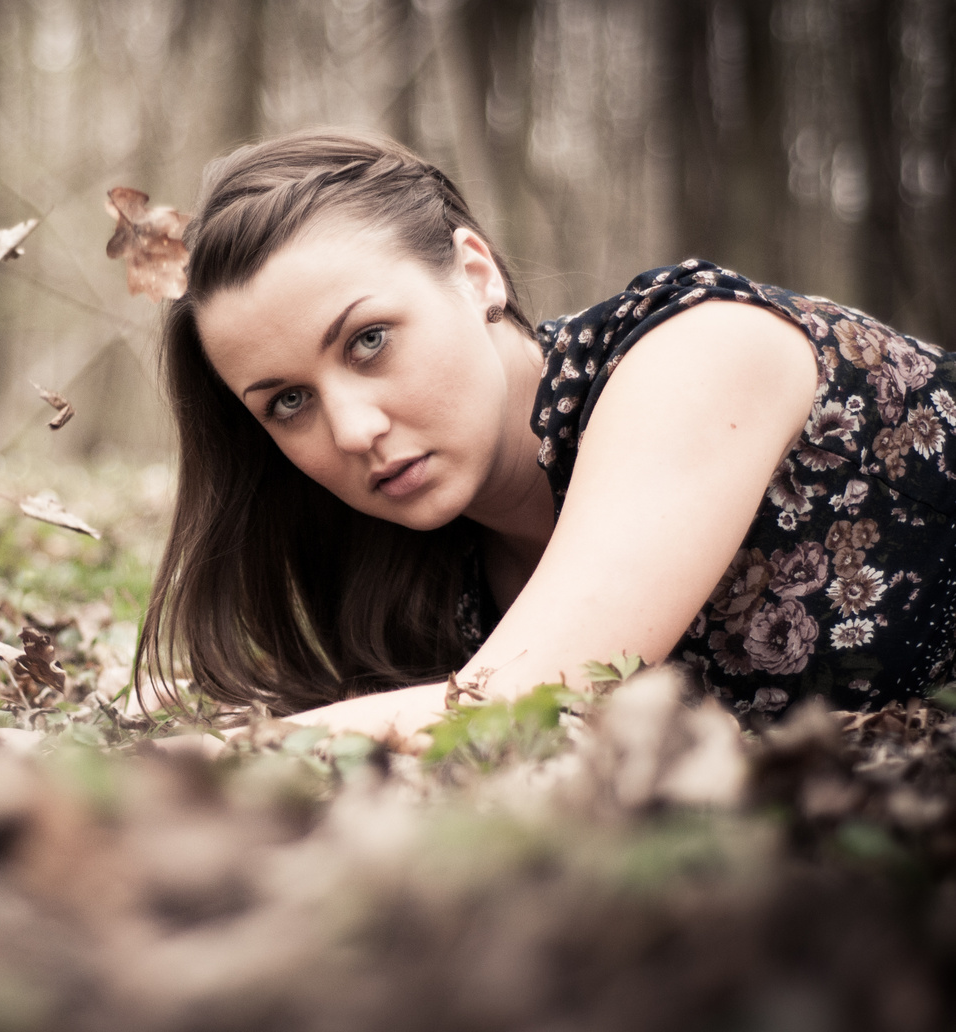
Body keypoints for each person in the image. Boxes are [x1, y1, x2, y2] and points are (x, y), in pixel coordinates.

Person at [133, 128, 956, 744]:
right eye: (286, 404)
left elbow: (523, 698)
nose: (351, 429)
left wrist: (221, 756)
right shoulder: (437, 572)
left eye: (370, 340)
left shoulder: (699, 354)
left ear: (476, 275)